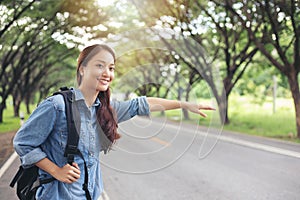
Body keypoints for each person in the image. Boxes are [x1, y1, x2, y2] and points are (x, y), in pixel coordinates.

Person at [13, 44, 215, 200]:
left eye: (111, 68)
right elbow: (23, 142)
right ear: (82, 69)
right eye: (99, 65)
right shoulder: (57, 106)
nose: (107, 73)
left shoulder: (105, 110)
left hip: (92, 194)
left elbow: (142, 104)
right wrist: (55, 170)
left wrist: (184, 104)